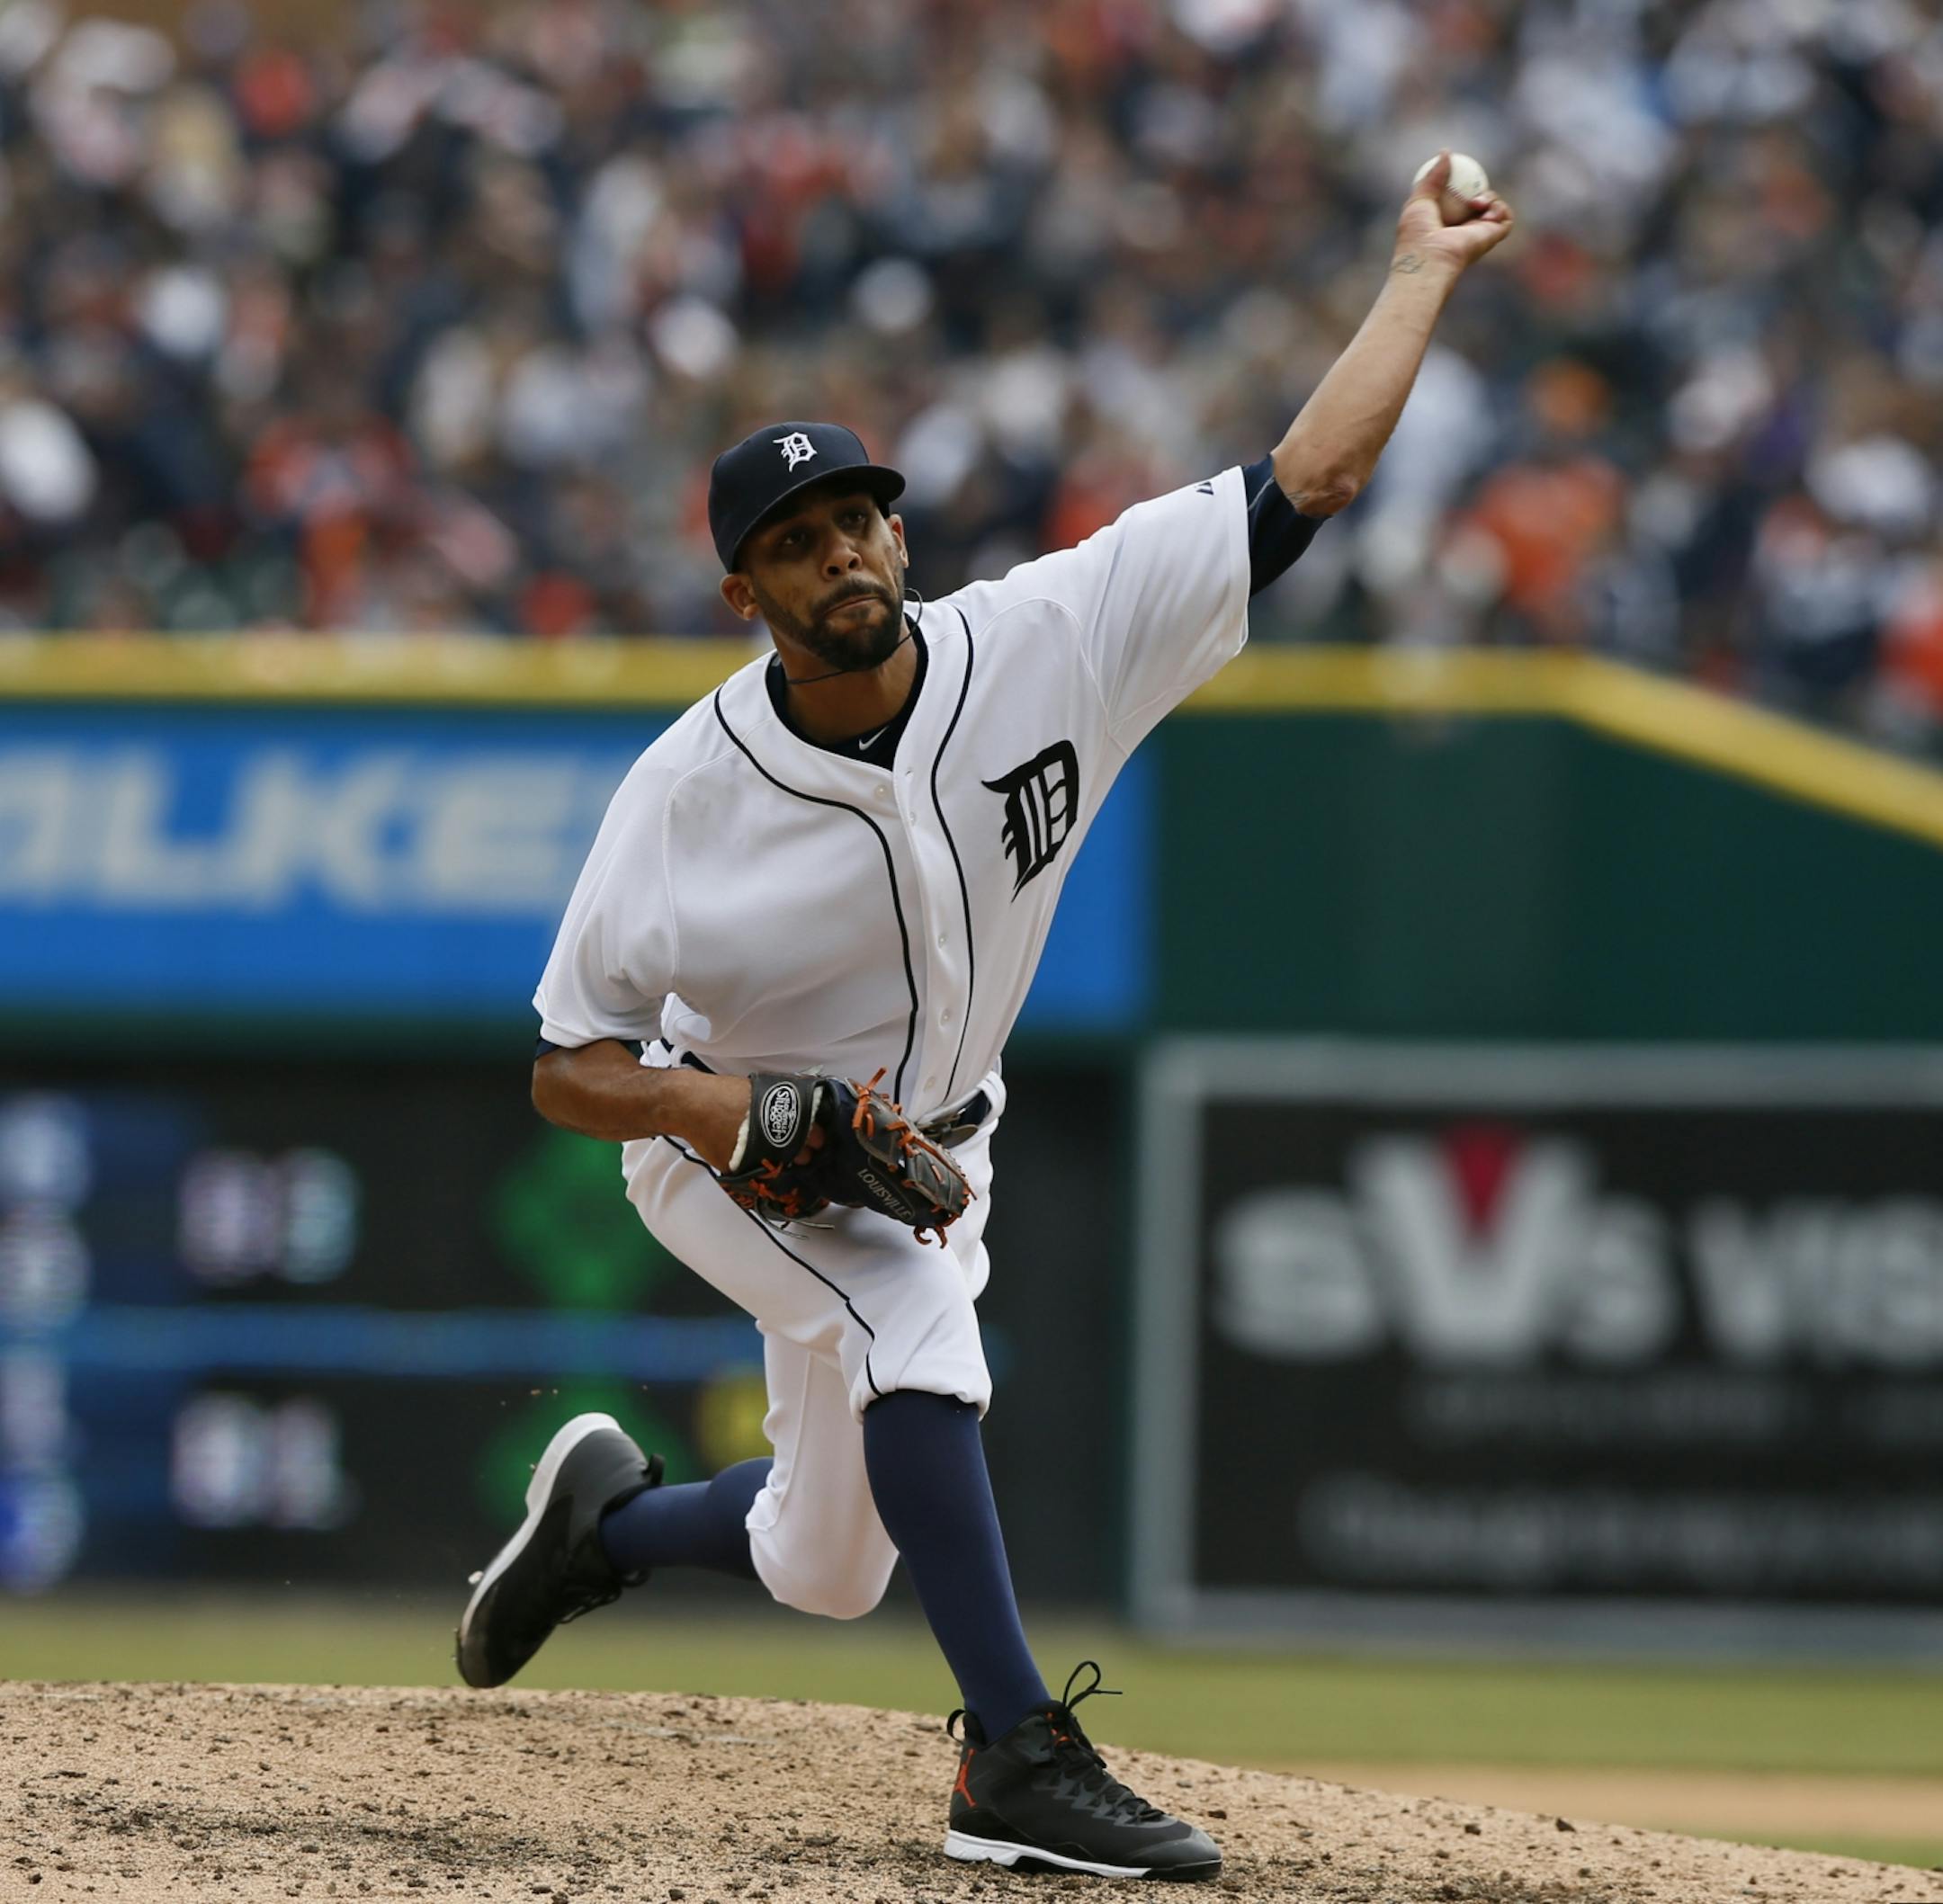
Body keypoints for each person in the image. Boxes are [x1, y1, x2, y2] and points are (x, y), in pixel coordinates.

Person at [455, 156, 1513, 1882]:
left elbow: (1308, 479)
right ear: (746, 597)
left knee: (825, 1563)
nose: (837, 554)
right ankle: (1013, 1756)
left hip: (940, 1152)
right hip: (737, 1156)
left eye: (854, 520)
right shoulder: (685, 793)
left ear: (898, 530)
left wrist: (1418, 276)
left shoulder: (1050, 640)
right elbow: (567, 1067)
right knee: (917, 1335)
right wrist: (719, 1111)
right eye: (791, 545)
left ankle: (603, 1528)